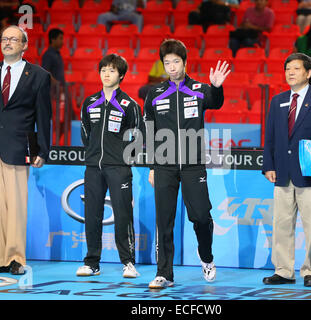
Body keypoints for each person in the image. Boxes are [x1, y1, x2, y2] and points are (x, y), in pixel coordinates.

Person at [144, 39, 231, 289]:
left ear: (185, 62)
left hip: (193, 165)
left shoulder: (200, 89)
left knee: (201, 216)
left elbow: (216, 102)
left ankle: (207, 258)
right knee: (165, 221)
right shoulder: (155, 93)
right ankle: (164, 273)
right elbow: (148, 130)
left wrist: (216, 87)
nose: (172, 67)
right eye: (167, 63)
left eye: (176, 62)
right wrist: (151, 165)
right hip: (164, 165)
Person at [0, 25, 52, 275]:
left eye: (13, 39)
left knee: (16, 206)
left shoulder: (38, 75)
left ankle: (16, 258)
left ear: (24, 45)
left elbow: (43, 116)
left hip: (19, 148)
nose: (7, 43)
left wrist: (42, 151)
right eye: (4, 39)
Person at [262, 52, 311, 287]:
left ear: (308, 73)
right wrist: (268, 165)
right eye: (287, 69)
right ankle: (284, 270)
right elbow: (271, 137)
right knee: (281, 224)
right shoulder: (277, 101)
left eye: (296, 69)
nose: (291, 73)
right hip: (282, 173)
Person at [77, 54, 143, 278]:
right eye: (103, 69)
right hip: (93, 167)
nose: (106, 74)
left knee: (123, 215)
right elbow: (85, 133)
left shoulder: (130, 105)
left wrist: (125, 160)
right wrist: (94, 154)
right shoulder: (89, 102)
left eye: (112, 70)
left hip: (119, 168)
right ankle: (92, 263)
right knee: (92, 214)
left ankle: (128, 262)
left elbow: (137, 137)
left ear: (121, 75)